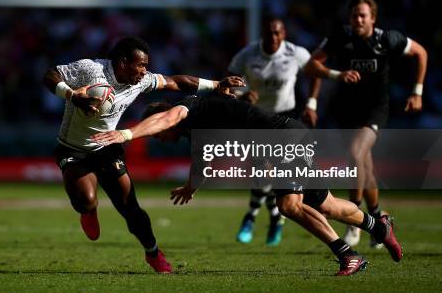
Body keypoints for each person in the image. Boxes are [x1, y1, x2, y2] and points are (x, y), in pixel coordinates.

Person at [91, 93, 403, 276]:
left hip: (284, 137)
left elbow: (166, 120)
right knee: (326, 203)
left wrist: (128, 134)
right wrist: (191, 186)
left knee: (288, 205)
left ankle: (348, 255)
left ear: (166, 118)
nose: (161, 138)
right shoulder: (194, 129)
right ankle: (380, 227)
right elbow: (201, 159)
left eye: (159, 133)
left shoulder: (186, 108)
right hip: (286, 136)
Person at [42, 36, 243, 274]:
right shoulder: (91, 68)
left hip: (107, 146)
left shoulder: (141, 81)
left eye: (146, 65)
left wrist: (216, 84)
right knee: (85, 200)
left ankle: (153, 253)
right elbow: (50, 74)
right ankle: (89, 210)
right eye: (141, 65)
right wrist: (72, 96)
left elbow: (176, 82)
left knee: (129, 206)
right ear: (123, 62)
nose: (145, 71)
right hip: (72, 148)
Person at [303, 0, 428, 248]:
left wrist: (417, 91)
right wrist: (315, 99)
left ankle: (353, 219)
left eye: (363, 15)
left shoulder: (386, 39)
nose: (358, 19)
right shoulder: (341, 36)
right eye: (354, 16)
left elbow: (421, 53)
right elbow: (312, 65)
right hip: (347, 109)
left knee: (355, 152)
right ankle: (379, 222)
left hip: (376, 108)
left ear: (373, 18)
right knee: (365, 167)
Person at [227, 17, 320, 246]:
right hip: (257, 118)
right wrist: (242, 93)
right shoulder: (248, 54)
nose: (273, 37)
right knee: (263, 174)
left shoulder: (295, 53)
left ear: (284, 34)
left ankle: (251, 218)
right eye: (269, 33)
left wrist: (312, 104)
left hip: (287, 119)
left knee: (274, 174)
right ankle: (275, 220)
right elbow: (228, 82)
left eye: (277, 33)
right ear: (263, 34)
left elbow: (316, 71)